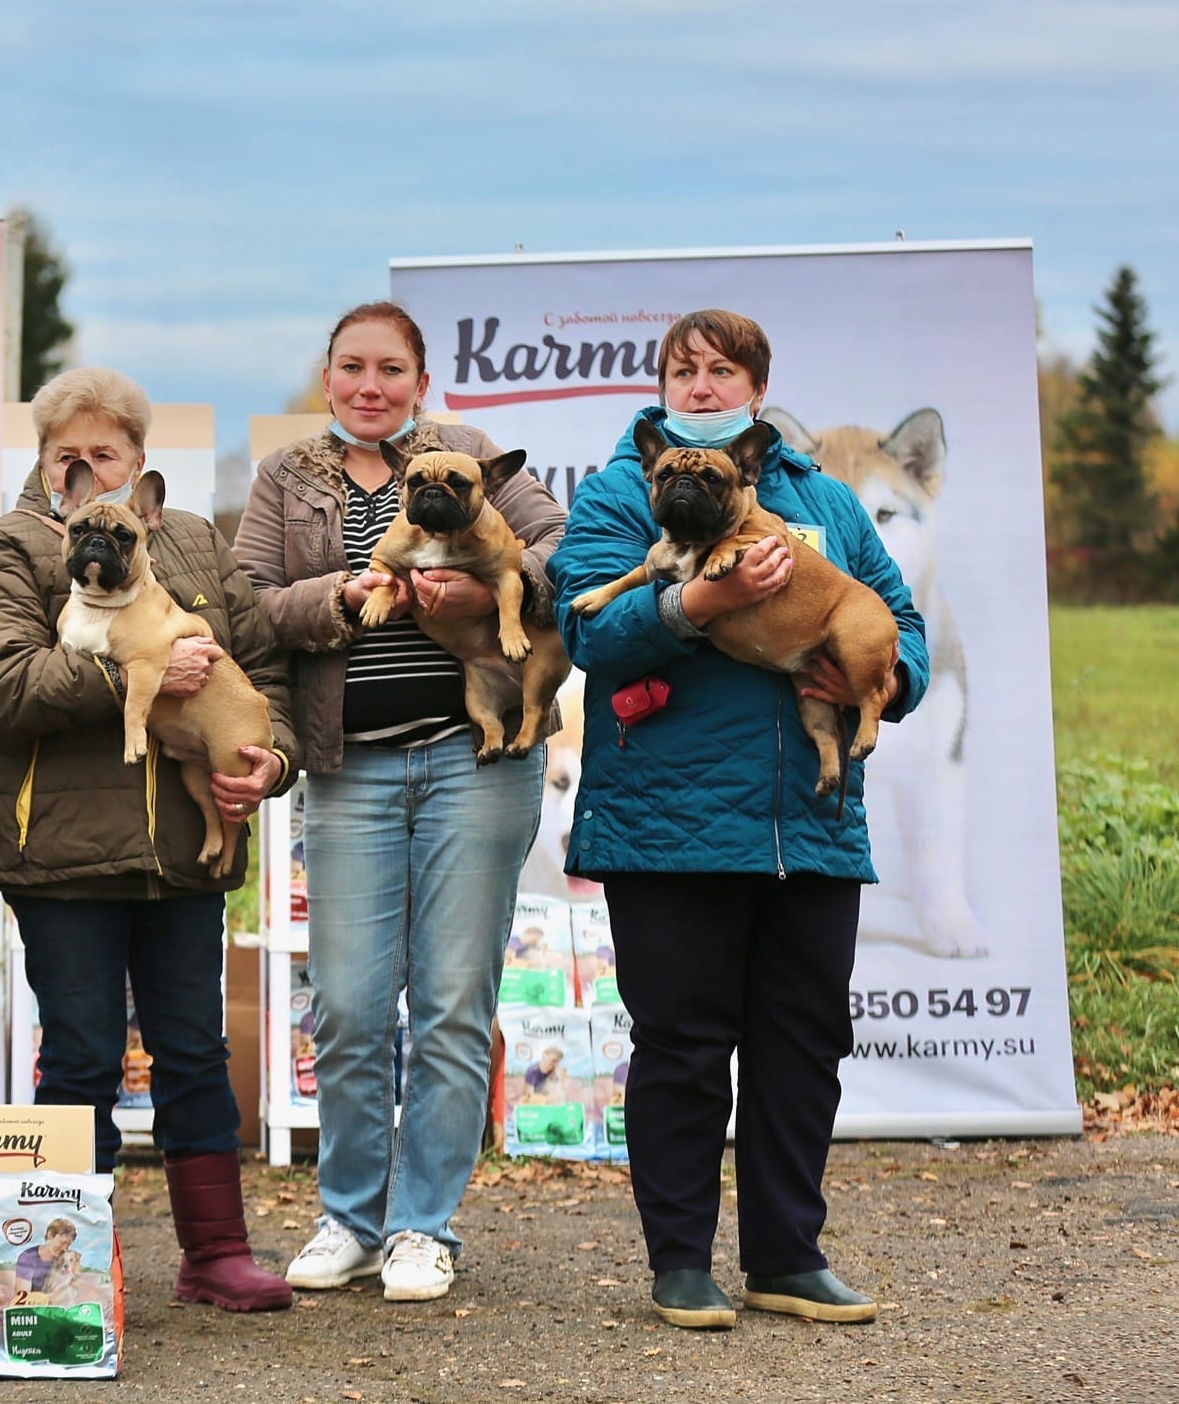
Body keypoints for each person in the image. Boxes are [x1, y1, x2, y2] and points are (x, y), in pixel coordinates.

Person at [546, 308, 928, 1330]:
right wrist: (693, 611)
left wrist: (888, 676)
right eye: (684, 370)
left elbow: (904, 621)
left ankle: (786, 1257)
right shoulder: (624, 494)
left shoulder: (828, 502)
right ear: (662, 389)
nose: (703, 385)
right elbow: (589, 633)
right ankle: (681, 1263)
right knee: (680, 1045)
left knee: (804, 1041)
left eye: (722, 371)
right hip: (665, 819)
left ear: (756, 392)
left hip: (811, 817)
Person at [232, 301, 565, 1303]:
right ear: (327, 377)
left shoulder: (475, 456)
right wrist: (339, 596)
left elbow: (567, 556)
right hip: (352, 767)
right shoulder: (287, 479)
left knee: (455, 1002)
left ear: (421, 379)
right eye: (350, 368)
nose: (369, 386)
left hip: (477, 759)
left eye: (390, 369)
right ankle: (350, 1217)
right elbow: (249, 605)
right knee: (347, 1005)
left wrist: (495, 592)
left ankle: (425, 1227)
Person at [0, 366, 297, 1313]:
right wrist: (139, 674)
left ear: (141, 464)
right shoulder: (10, 548)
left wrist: (276, 762)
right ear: (47, 472)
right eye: (69, 456)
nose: (87, 469)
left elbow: (264, 666)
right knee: (81, 1053)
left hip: (188, 845)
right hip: (61, 850)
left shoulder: (192, 540)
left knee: (192, 1047)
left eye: (105, 453)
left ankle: (216, 1252)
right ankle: (62, 1266)